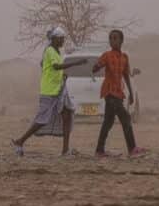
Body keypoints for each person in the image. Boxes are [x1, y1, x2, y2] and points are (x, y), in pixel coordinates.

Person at [10, 27, 87, 156]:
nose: (63, 41)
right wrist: (76, 63)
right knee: (42, 120)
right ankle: (20, 141)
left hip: (59, 89)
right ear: (55, 38)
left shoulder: (56, 51)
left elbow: (49, 67)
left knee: (67, 114)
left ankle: (65, 150)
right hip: (49, 91)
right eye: (61, 39)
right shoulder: (50, 50)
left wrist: (62, 75)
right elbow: (56, 66)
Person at [92, 30, 147, 158]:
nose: (112, 41)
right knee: (126, 118)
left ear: (121, 41)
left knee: (108, 121)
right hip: (110, 92)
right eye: (110, 38)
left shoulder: (124, 57)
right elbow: (97, 66)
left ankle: (99, 150)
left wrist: (131, 94)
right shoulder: (106, 55)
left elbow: (126, 76)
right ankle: (132, 148)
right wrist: (95, 67)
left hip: (118, 93)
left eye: (115, 38)